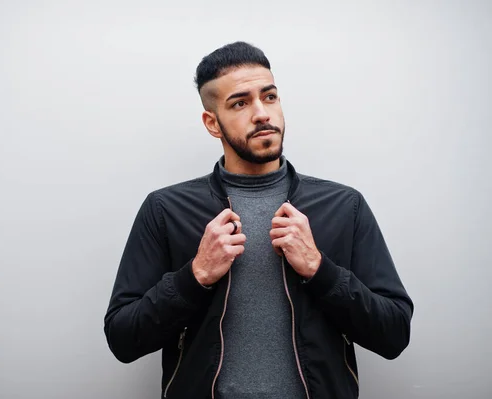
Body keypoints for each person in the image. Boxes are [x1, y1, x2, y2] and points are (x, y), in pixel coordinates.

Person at [103, 41, 414, 399]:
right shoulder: (165, 209)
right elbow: (122, 339)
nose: (262, 113)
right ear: (212, 123)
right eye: (240, 103)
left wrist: (319, 269)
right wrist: (195, 276)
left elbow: (393, 334)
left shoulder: (344, 206)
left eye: (269, 97)